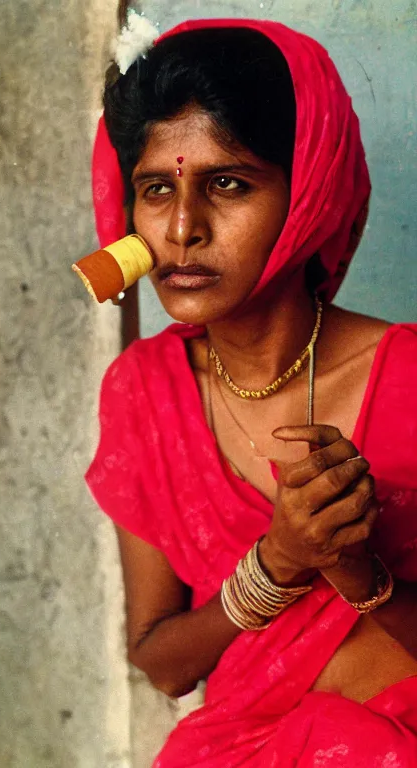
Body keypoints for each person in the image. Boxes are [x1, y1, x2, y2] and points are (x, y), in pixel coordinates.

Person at [86, 17, 417, 767]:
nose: (180, 228)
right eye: (155, 188)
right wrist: (276, 563)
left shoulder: (407, 379)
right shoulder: (144, 392)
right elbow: (166, 664)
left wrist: (360, 574)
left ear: (307, 193)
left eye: (227, 184)